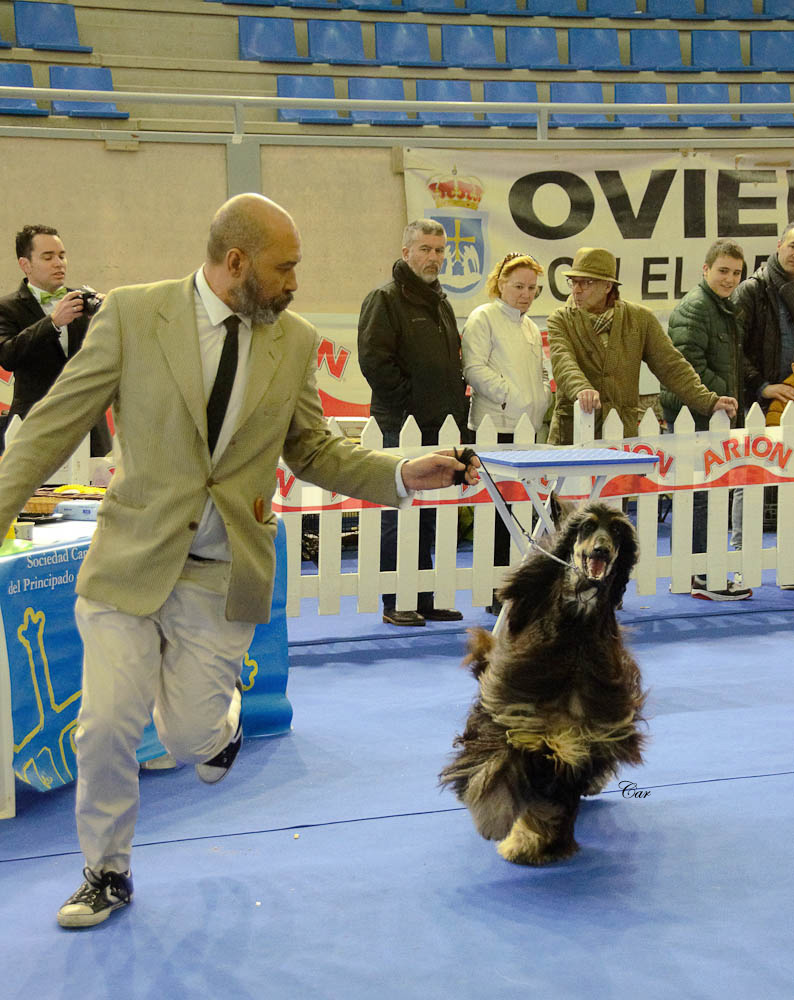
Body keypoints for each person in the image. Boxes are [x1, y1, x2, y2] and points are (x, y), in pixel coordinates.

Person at [0, 194, 479, 929]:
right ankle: (106, 872)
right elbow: (49, 427)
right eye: (284, 268)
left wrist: (401, 472)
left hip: (220, 572)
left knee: (187, 738)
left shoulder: (293, 340)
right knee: (105, 728)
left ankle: (218, 731)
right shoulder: (132, 315)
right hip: (128, 560)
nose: (295, 282)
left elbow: (313, 449)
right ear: (235, 263)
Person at [357, 219, 470, 627]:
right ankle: (396, 601)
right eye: (425, 249)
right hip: (400, 425)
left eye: (439, 250)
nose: (433, 257)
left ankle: (423, 596)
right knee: (399, 511)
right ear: (406, 253)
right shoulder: (384, 300)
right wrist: (412, 403)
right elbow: (375, 362)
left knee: (430, 514)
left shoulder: (441, 303)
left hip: (441, 427)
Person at [546, 247, 739, 446]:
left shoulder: (640, 319)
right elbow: (563, 362)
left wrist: (709, 401)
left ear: (607, 286)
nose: (576, 290)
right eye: (573, 282)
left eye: (586, 282)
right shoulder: (560, 320)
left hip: (621, 436)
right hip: (572, 436)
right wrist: (582, 389)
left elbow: (671, 366)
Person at [660, 239, 751, 601]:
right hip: (696, 415)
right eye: (723, 270)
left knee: (701, 495)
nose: (730, 279)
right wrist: (725, 397)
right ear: (705, 269)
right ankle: (701, 575)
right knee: (701, 497)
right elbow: (687, 368)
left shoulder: (721, 307)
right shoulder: (697, 308)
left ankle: (690, 573)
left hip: (709, 415)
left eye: (736, 273)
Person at [461, 250, 551, 612]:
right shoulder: (483, 318)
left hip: (526, 430)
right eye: (518, 286)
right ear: (500, 283)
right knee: (494, 514)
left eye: (532, 288)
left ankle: (512, 588)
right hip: (494, 427)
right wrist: (512, 398)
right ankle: (493, 591)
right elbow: (474, 369)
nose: (526, 294)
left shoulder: (531, 327)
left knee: (519, 512)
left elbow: (542, 372)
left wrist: (540, 400)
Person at [0, 224, 111, 455]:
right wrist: (52, 323)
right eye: (48, 257)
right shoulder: (7, 308)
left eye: (62, 256)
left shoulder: (83, 302)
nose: (59, 263)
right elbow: (8, 356)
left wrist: (108, 318)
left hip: (88, 424)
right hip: (35, 423)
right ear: (25, 264)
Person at [733, 221, 794, 417]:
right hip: (757, 405)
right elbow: (733, 348)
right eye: (792, 246)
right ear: (779, 245)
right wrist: (762, 386)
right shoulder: (752, 290)